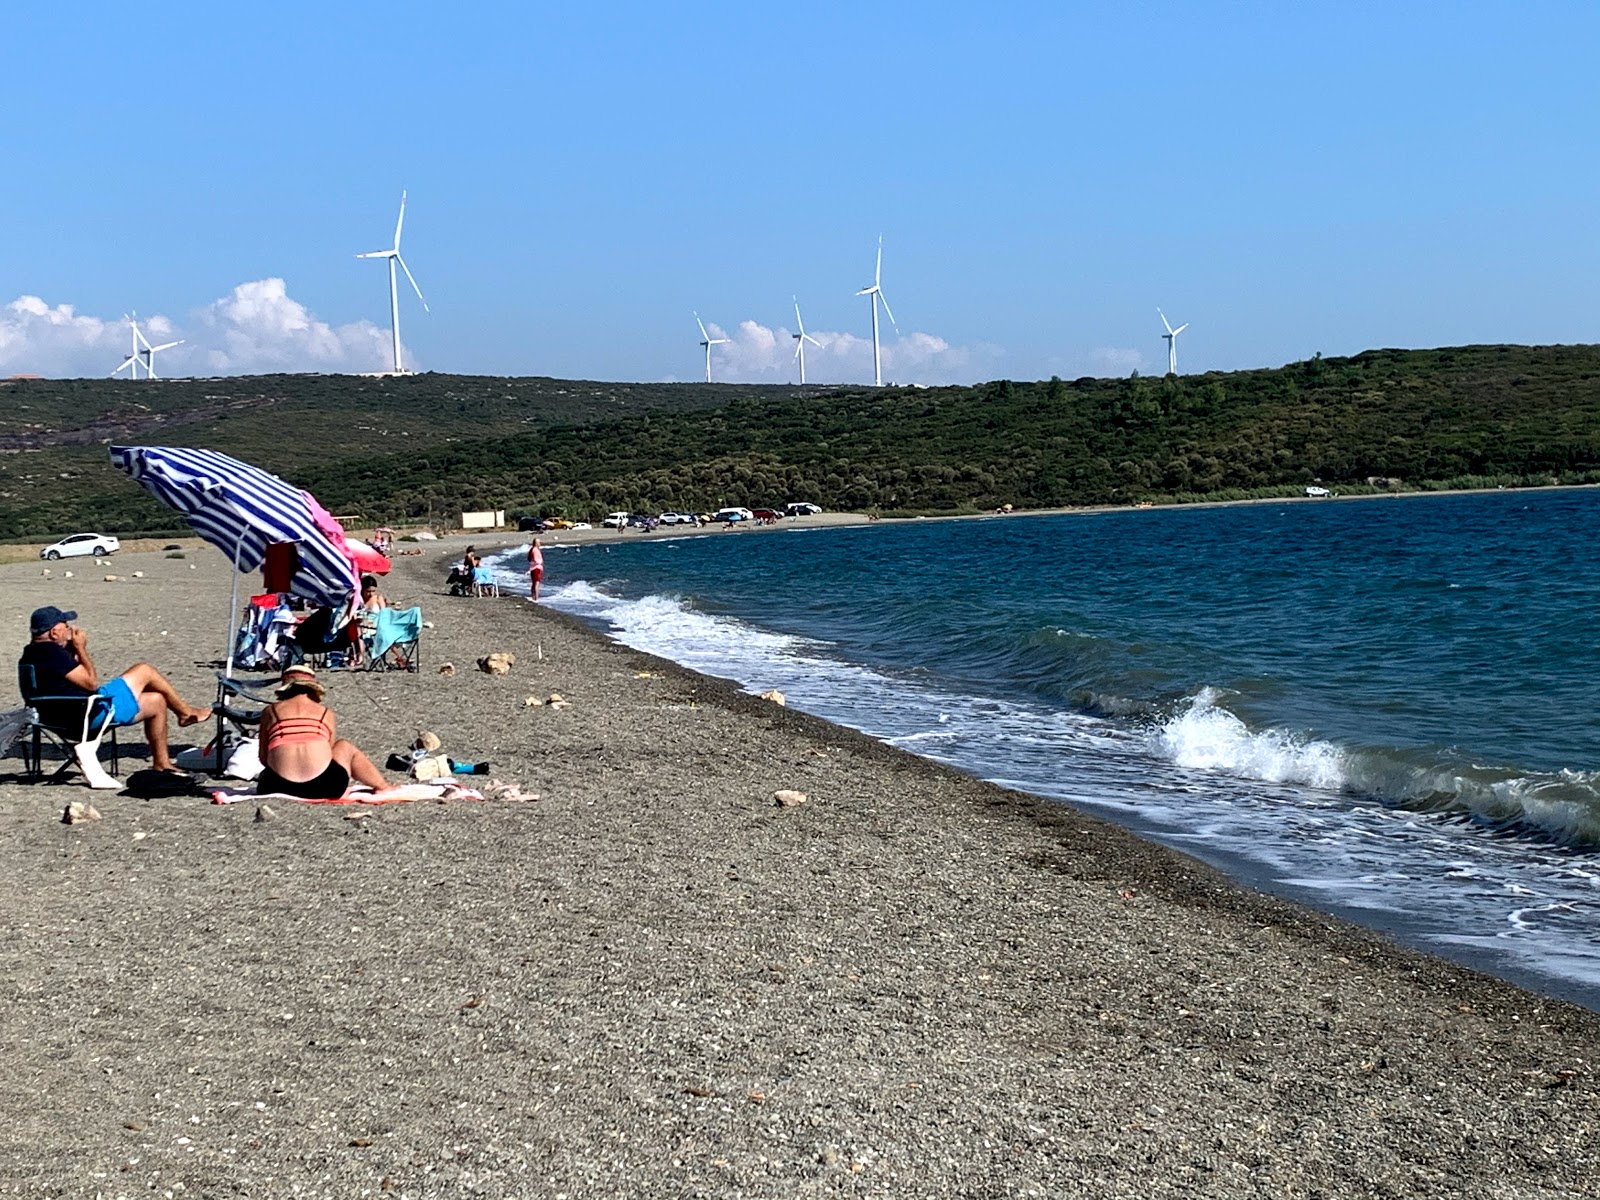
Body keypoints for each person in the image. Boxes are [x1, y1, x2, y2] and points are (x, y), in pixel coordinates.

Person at [18, 605, 212, 772]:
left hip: (56, 718)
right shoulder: (52, 653)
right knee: (144, 670)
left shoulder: (30, 654)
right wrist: (81, 648)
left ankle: (162, 763)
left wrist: (71, 651)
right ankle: (185, 713)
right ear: (54, 632)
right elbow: (90, 683)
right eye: (66, 626)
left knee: (156, 700)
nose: (70, 630)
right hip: (86, 715)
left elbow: (67, 681)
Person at [256, 664, 388, 798]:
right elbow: (328, 754)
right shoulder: (325, 713)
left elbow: (263, 757)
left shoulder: (270, 711)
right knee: (344, 745)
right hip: (326, 786)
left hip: (276, 786)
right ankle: (382, 786)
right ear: (313, 689)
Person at [527, 537, 544, 601]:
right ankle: (536, 598)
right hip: (536, 567)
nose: (540, 543)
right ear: (536, 543)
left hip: (533, 568)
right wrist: (540, 562)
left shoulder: (533, 549)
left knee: (534, 583)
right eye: (539, 542)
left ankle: (533, 596)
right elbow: (536, 559)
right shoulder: (535, 550)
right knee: (536, 583)